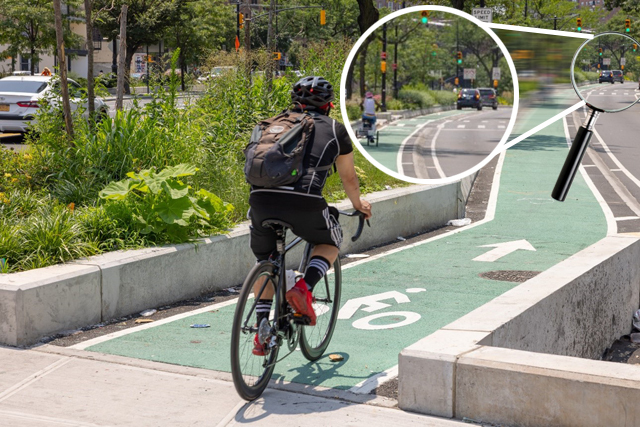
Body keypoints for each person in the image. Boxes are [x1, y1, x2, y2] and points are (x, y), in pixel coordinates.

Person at [248, 76, 372, 356]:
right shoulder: (335, 129)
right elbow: (348, 177)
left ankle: (261, 329)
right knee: (330, 241)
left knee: (265, 260)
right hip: (304, 202)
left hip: (260, 200)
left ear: (294, 101)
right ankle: (304, 287)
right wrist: (359, 204)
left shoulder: (270, 124)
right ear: (328, 105)